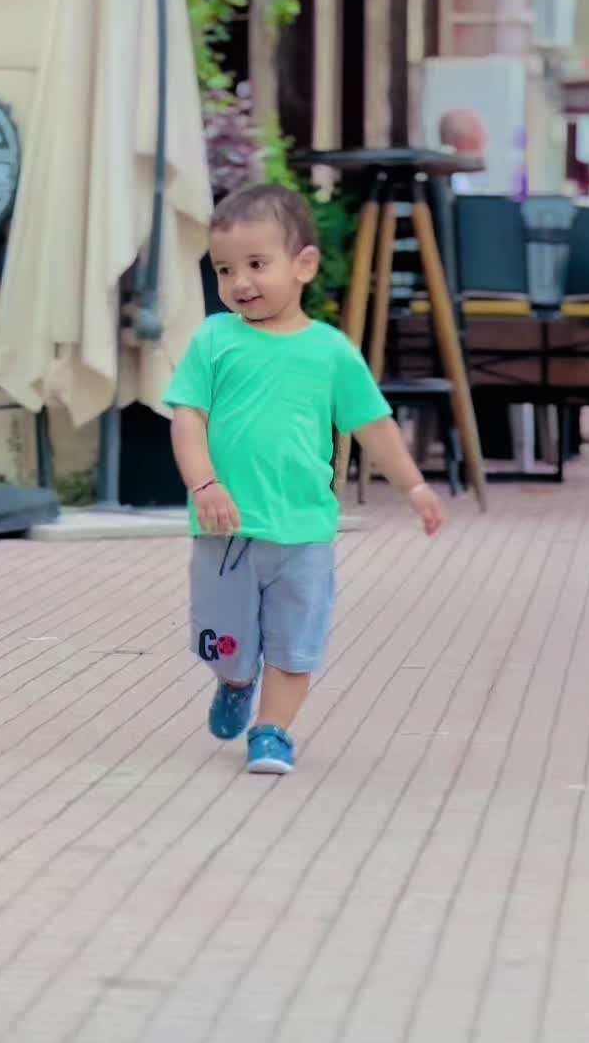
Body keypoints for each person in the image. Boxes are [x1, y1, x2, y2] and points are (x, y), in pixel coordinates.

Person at [164, 183, 443, 778]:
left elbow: (373, 425)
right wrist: (205, 484)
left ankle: (272, 731)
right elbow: (188, 418)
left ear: (304, 265)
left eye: (256, 264)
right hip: (226, 529)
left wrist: (413, 486)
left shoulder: (330, 352)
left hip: (305, 531)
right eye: (224, 269)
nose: (240, 282)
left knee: (295, 643)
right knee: (225, 640)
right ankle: (235, 680)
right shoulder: (215, 340)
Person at [438, 107, 491, 194]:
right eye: (478, 132)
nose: (485, 138)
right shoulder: (458, 183)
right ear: (463, 141)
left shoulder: (458, 181)